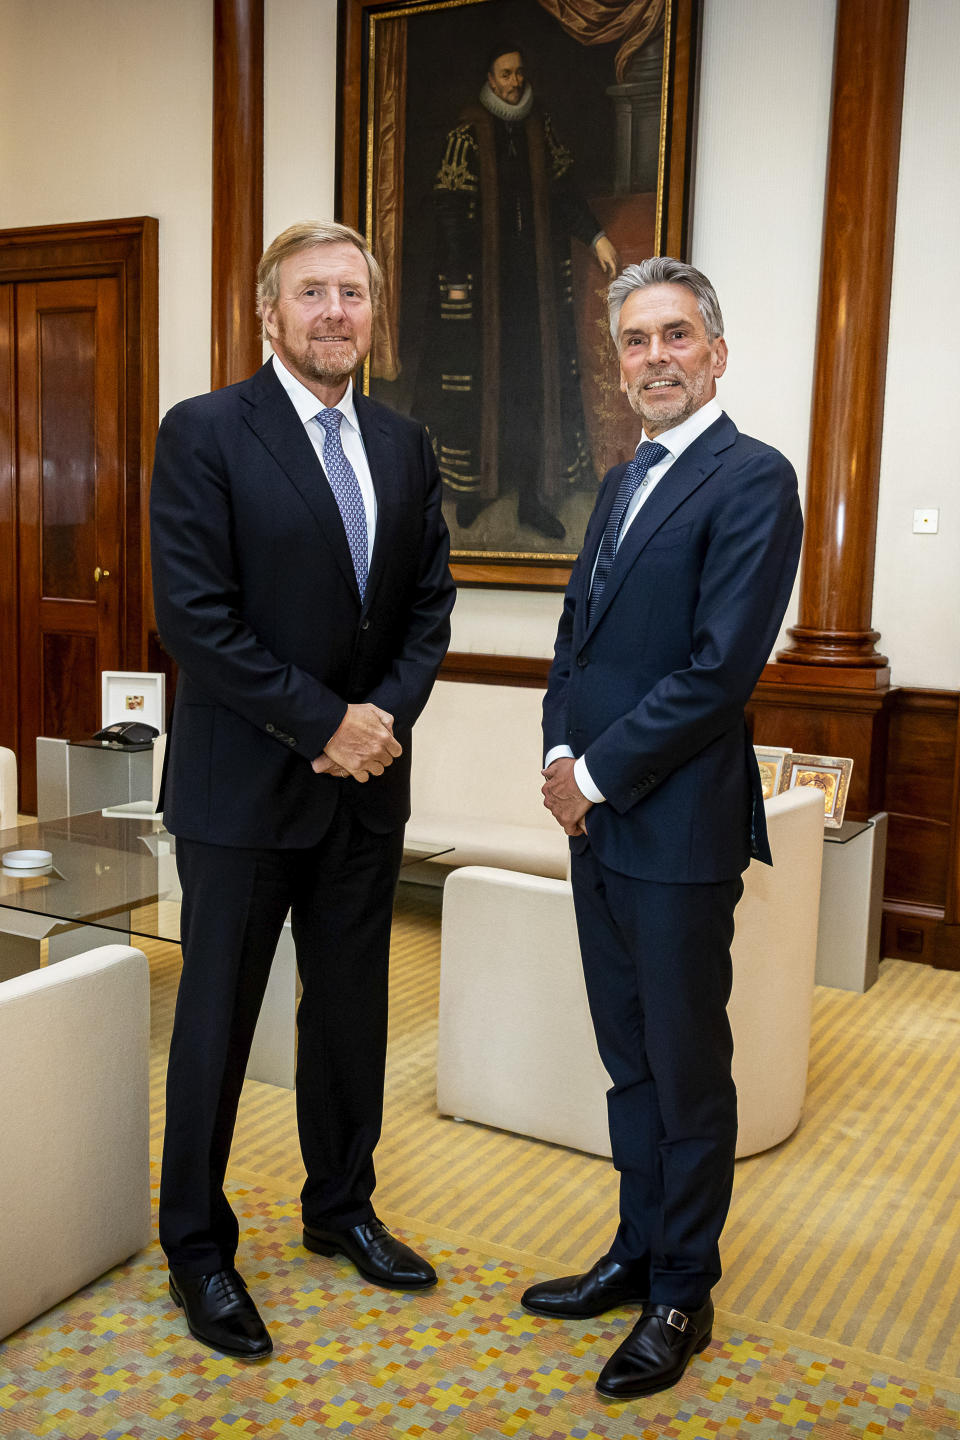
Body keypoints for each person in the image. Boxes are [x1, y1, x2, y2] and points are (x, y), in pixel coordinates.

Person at [150, 220, 455, 1359]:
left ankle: (341, 1210)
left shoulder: (405, 441)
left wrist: (380, 725)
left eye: (354, 295)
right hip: (242, 794)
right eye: (313, 294)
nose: (336, 313)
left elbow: (428, 605)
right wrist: (323, 721)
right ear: (268, 313)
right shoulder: (207, 433)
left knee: (348, 1018)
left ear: (374, 317)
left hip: (367, 794)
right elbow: (195, 618)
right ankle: (196, 1244)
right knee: (217, 1022)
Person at [523, 258, 803, 1398]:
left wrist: (590, 771)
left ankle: (683, 1290)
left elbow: (717, 674)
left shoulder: (752, 480)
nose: (653, 359)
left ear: (717, 352)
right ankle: (636, 1252)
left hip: (677, 831)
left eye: (674, 337)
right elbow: (574, 637)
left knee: (687, 1073)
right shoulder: (624, 477)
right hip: (598, 826)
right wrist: (555, 750)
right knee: (629, 1061)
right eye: (634, 342)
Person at [427, 42, 619, 541]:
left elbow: (567, 195)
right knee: (479, 386)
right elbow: (448, 209)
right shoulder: (466, 133)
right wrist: (456, 276)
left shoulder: (541, 128)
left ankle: (534, 495)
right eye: (506, 73)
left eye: (519, 72)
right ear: (489, 77)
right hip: (481, 291)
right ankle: (476, 490)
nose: (515, 81)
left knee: (534, 386)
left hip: (534, 290)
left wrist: (596, 237)